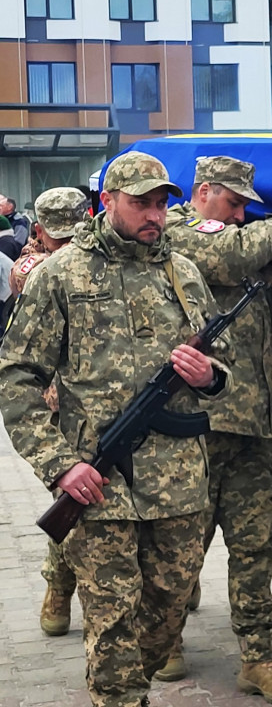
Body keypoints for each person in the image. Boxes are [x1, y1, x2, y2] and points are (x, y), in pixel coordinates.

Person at [0, 151, 227, 707]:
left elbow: (219, 366)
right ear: (107, 203)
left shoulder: (183, 271)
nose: (154, 215)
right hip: (98, 485)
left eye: (160, 204)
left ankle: (128, 686)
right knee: (113, 628)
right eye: (140, 203)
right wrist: (58, 464)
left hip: (178, 484)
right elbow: (17, 376)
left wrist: (211, 377)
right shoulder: (62, 273)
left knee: (168, 614)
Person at [161, 155, 272, 703]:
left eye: (248, 205)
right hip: (196, 421)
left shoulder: (242, 237)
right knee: (183, 543)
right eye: (236, 202)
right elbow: (227, 258)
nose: (244, 214)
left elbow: (262, 325)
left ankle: (257, 657)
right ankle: (167, 639)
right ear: (203, 193)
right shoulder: (181, 230)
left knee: (254, 543)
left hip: (252, 421)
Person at [7, 187, 91, 636]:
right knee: (75, 506)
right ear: (39, 233)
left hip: (102, 396)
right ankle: (58, 584)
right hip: (59, 404)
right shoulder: (32, 267)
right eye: (58, 238)